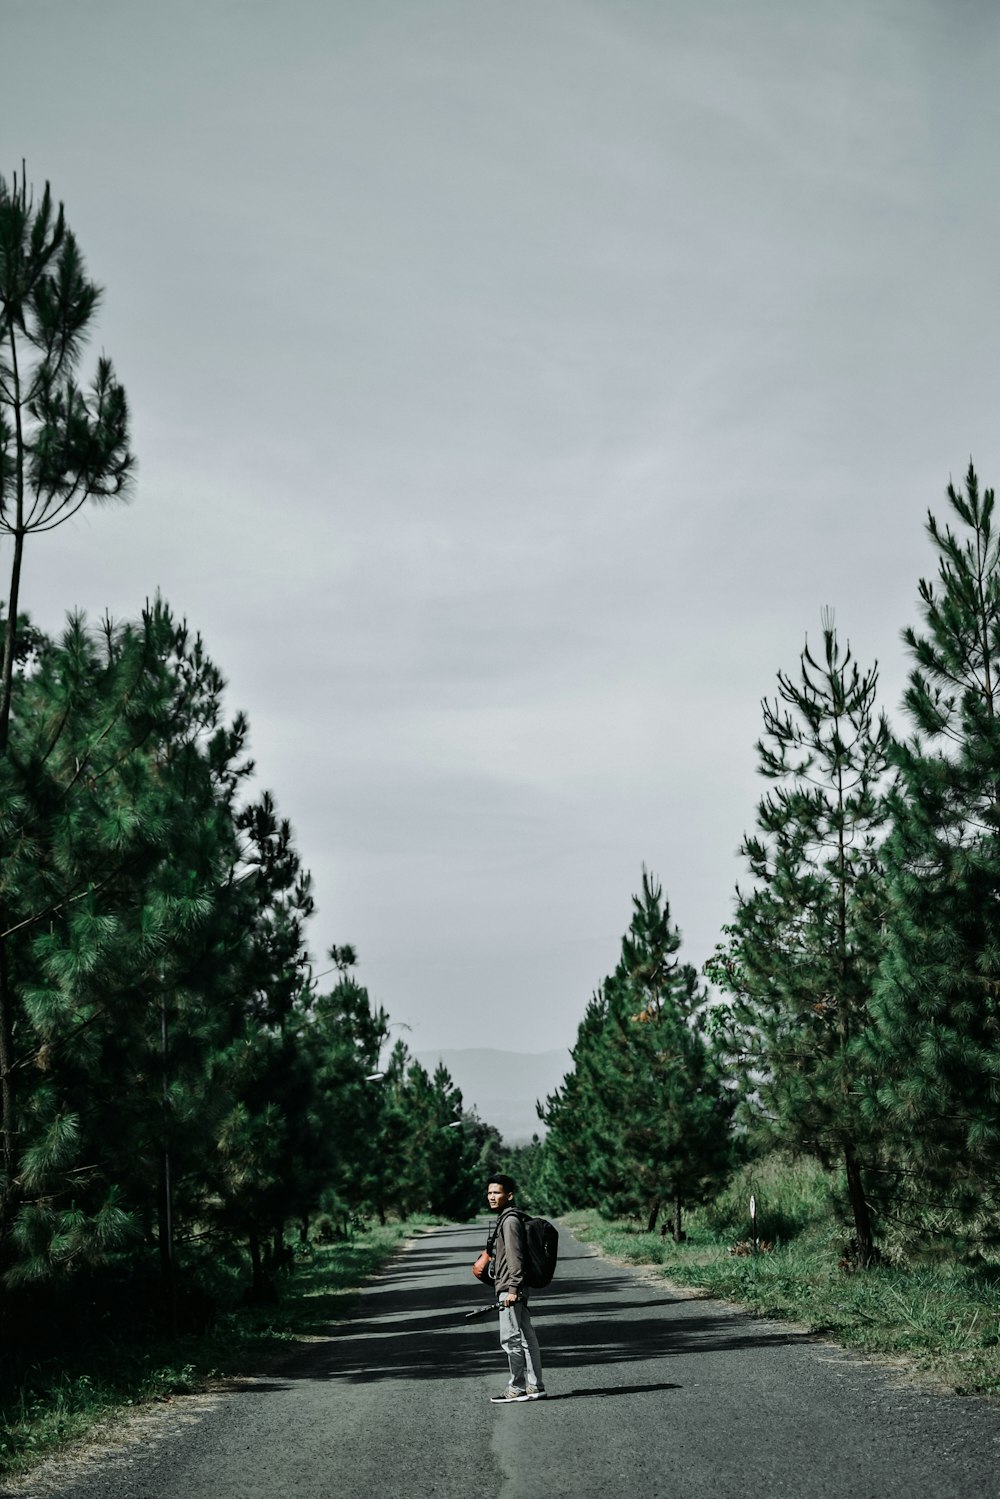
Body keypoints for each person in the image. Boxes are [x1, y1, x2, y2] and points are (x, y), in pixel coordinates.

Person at [485, 1175, 546, 1403]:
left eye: (497, 1193)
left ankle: (517, 1387)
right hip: (515, 1286)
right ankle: (534, 1385)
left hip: (511, 1288)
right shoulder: (509, 1218)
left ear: (509, 1195)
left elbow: (515, 1257)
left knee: (510, 1339)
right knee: (527, 1337)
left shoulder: (509, 1221)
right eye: (490, 1193)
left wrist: (512, 1289)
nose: (492, 1197)